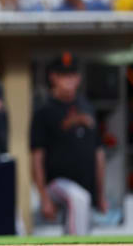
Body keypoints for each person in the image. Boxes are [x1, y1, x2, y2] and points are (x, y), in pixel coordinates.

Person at [31, 52, 107, 234]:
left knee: (82, 212)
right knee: (78, 198)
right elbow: (36, 156)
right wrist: (43, 196)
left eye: (72, 75)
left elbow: (99, 153)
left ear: (79, 78)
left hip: (86, 185)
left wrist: (101, 193)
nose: (69, 80)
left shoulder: (87, 107)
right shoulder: (44, 110)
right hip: (56, 184)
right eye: (63, 75)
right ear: (53, 77)